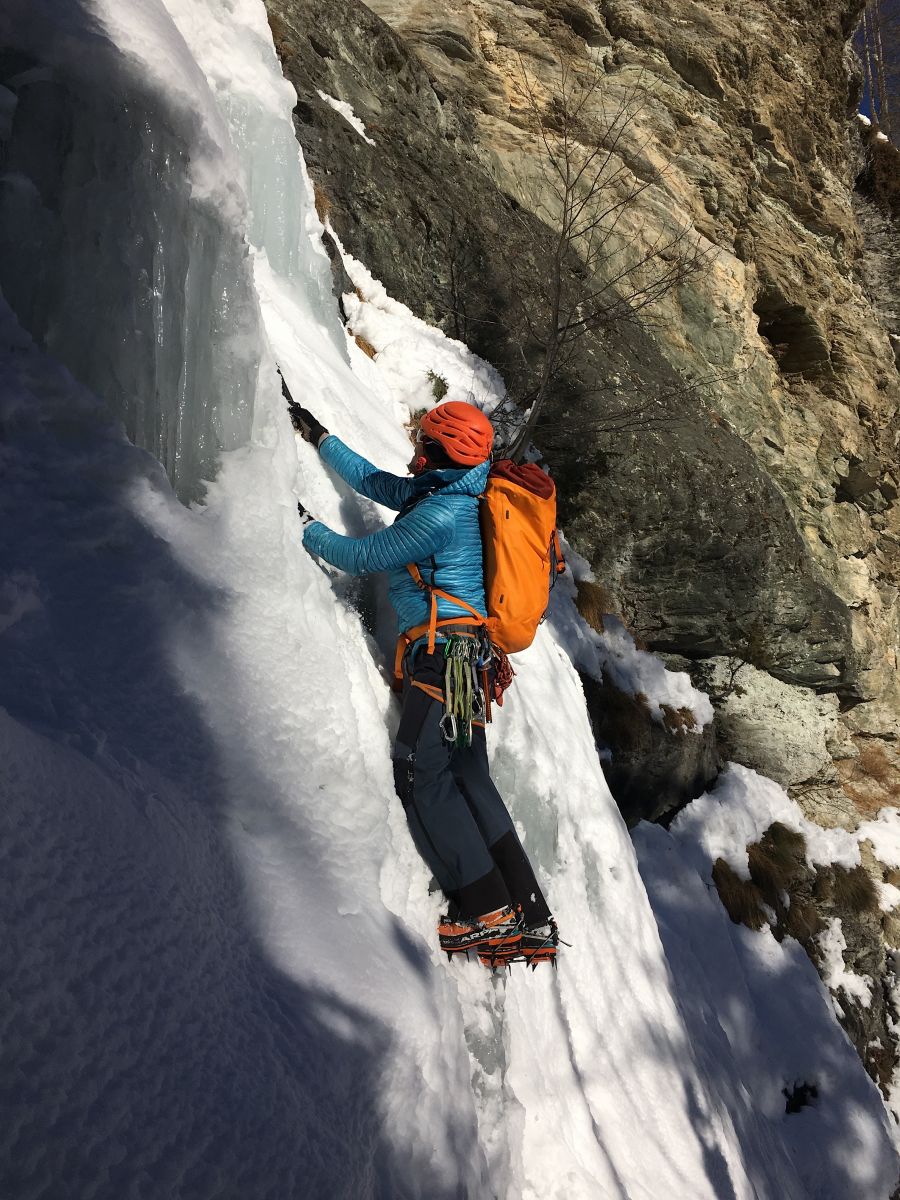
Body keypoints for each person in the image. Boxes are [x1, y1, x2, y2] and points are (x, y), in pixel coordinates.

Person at [290, 397, 558, 967]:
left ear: (438, 451)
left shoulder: (437, 516)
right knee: (469, 775)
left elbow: (359, 556)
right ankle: (530, 916)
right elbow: (376, 482)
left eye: (423, 443)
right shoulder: (456, 493)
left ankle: (486, 910)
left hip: (442, 659)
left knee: (421, 770)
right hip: (471, 662)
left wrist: (300, 524)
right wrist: (321, 436)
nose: (415, 451)